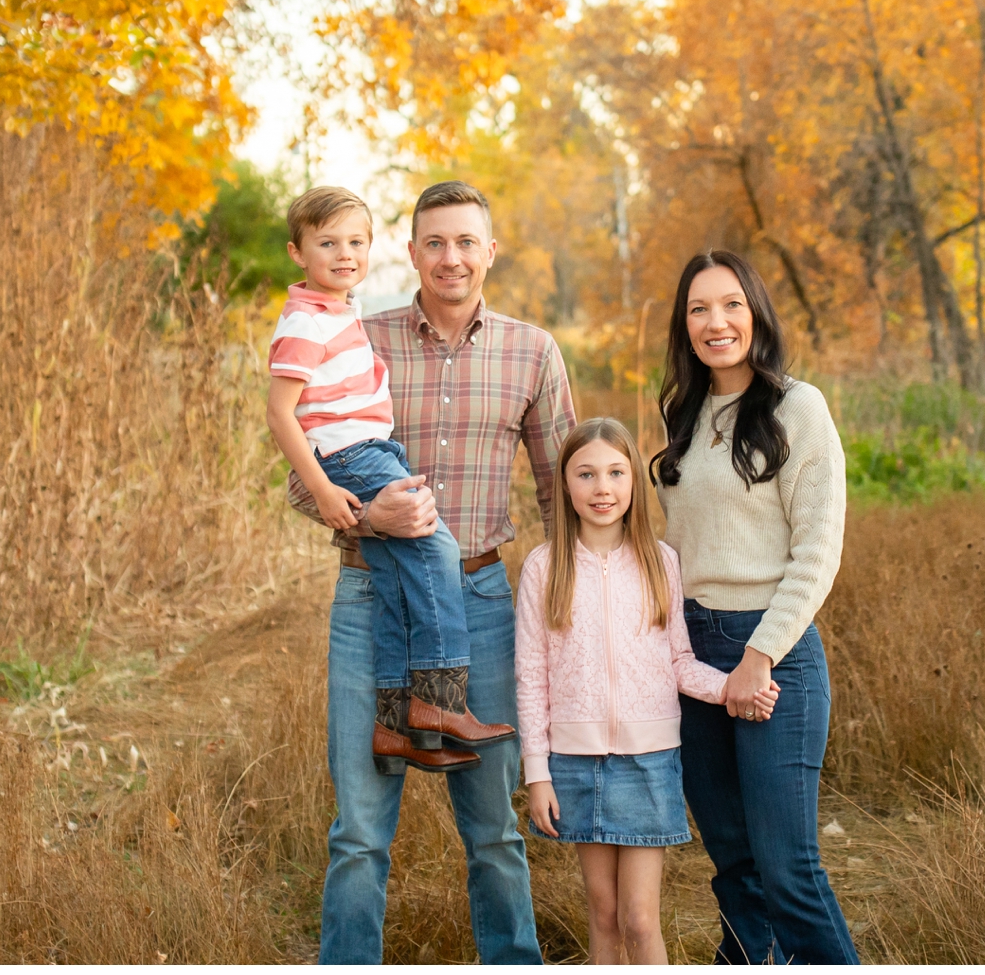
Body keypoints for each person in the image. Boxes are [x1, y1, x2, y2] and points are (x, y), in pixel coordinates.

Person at [286, 181, 575, 965]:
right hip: (371, 594)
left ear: (490, 251)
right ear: (411, 253)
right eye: (435, 242)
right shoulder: (357, 337)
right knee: (358, 832)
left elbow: (564, 492)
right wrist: (366, 516)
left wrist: (579, 606)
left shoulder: (533, 351)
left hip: (480, 597)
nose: (451, 257)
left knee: (493, 829)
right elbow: (300, 475)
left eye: (466, 242)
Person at [653, 250, 860, 965]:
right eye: (699, 309)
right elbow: (684, 547)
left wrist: (758, 656)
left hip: (772, 655)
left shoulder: (797, 407)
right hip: (694, 654)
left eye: (731, 304)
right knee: (735, 869)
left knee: (787, 871)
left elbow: (817, 551)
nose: (717, 322)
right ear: (684, 326)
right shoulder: (683, 411)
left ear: (757, 312)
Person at [266, 186, 517, 766]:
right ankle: (439, 702)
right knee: (434, 546)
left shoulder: (338, 312)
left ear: (490, 250)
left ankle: (393, 724)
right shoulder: (310, 319)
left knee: (402, 584)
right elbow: (283, 414)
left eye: (355, 241)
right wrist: (333, 494)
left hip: (373, 454)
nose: (344, 253)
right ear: (298, 252)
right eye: (328, 243)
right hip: (357, 455)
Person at [517, 418, 777, 965]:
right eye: (585, 474)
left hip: (649, 761)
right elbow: (531, 677)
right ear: (565, 484)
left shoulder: (662, 563)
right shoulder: (545, 568)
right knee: (604, 915)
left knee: (639, 919)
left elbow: (679, 662)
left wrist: (732, 687)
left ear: (635, 481)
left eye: (615, 473)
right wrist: (536, 774)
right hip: (575, 762)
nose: (602, 488)